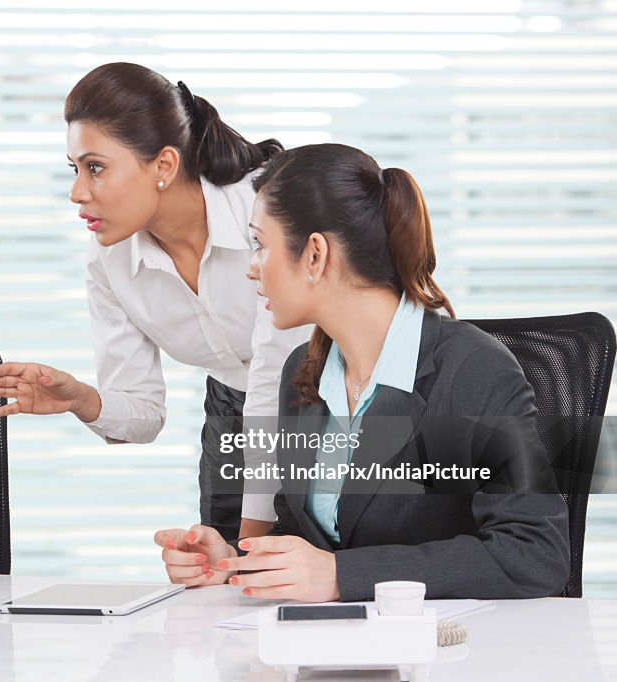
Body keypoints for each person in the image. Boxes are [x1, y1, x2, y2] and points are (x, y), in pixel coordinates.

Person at [154, 143, 570, 600]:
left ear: (314, 254)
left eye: (260, 244)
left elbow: (534, 554)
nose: (252, 269)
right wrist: (236, 563)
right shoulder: (303, 375)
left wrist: (342, 576)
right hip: (332, 650)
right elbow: (309, 537)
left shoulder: (473, 370)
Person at [0, 62, 310, 542]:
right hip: (233, 407)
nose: (76, 192)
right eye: (74, 169)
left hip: (335, 394)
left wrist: (246, 547)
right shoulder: (109, 258)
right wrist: (81, 399)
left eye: (95, 167)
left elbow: (276, 373)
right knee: (225, 593)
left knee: (326, 569)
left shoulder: (265, 210)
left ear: (164, 166)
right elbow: (143, 413)